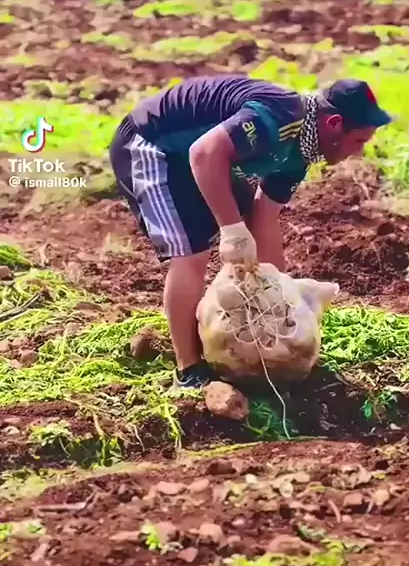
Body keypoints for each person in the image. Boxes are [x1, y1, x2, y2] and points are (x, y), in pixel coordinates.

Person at [110, 74, 392, 388]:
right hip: (153, 144)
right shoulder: (278, 116)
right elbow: (205, 153)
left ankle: (224, 344)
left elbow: (264, 217)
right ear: (334, 124)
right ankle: (189, 369)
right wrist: (231, 230)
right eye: (359, 141)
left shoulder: (300, 153)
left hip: (198, 155)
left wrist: (281, 297)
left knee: (245, 218)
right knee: (191, 252)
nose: (358, 152)